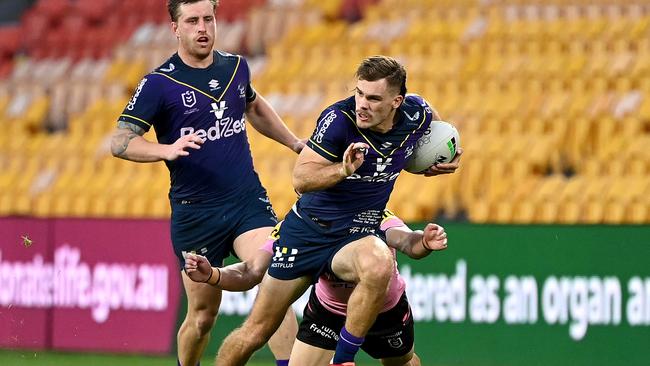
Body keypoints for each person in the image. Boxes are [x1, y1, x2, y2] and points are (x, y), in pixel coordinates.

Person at [213, 55, 462, 366]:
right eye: (359, 93)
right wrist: (341, 171)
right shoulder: (337, 121)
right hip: (308, 232)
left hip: (357, 231)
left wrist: (441, 156)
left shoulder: (417, 113)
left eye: (373, 98)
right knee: (255, 332)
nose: (362, 104)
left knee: (378, 262)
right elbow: (300, 180)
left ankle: (343, 360)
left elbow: (435, 131)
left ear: (397, 101)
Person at [110, 1, 303, 365]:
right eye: (193, 20)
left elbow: (255, 106)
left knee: (274, 280)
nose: (203, 28)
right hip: (196, 214)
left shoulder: (235, 67)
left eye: (208, 19)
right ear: (175, 28)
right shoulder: (159, 83)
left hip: (247, 202)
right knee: (201, 319)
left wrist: (294, 142)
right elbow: (120, 142)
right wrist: (165, 149)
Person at [184, 209, 449, 366]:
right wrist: (214, 274)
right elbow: (250, 270)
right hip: (328, 312)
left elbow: (406, 241)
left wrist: (423, 242)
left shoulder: (375, 213)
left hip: (383, 311)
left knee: (402, 362)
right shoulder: (294, 227)